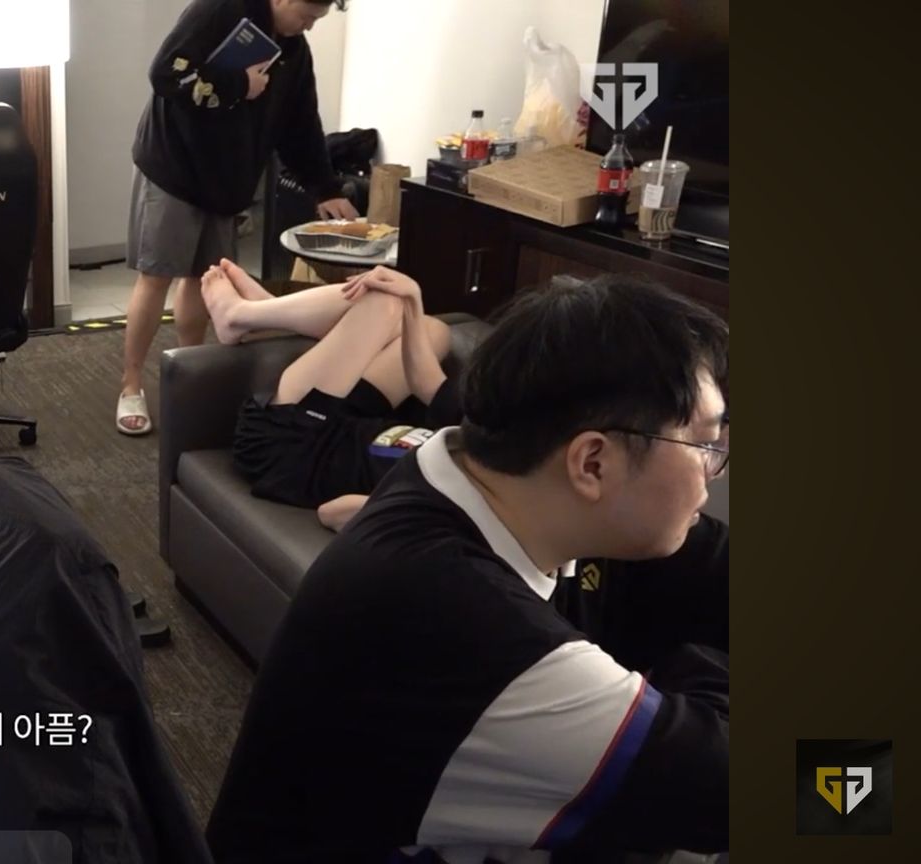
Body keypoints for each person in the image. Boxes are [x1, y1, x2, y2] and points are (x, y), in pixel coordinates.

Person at [208, 274, 730, 862]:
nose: (715, 472)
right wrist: (693, 657)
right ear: (592, 463)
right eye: (705, 445)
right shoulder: (462, 620)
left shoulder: (471, 480)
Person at [116, 0, 356, 436]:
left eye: (316, 20)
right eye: (306, 16)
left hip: (225, 178)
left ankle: (188, 375)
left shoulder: (295, 51)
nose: (309, 27)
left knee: (204, 278)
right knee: (157, 275)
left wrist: (326, 189)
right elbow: (166, 73)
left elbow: (301, 124)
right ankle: (131, 385)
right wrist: (238, 85)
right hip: (174, 166)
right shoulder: (220, 9)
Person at [196, 259, 457, 531]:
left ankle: (238, 315)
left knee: (383, 301)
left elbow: (333, 513)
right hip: (354, 418)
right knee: (433, 331)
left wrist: (411, 508)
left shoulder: (454, 502)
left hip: (290, 447)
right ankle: (275, 312)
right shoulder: (483, 434)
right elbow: (426, 382)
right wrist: (413, 297)